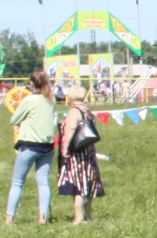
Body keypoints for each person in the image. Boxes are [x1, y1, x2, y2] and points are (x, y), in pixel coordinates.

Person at [7, 71, 58, 225]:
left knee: (17, 182)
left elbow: (14, 119)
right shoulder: (51, 100)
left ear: (32, 84)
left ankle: (9, 218)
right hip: (47, 147)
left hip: (29, 146)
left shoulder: (29, 100)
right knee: (43, 182)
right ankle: (43, 217)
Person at [55, 89, 104, 223]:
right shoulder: (87, 111)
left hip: (77, 154)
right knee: (88, 185)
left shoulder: (74, 112)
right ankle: (88, 216)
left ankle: (78, 218)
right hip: (88, 151)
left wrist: (65, 149)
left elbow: (69, 131)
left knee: (78, 187)